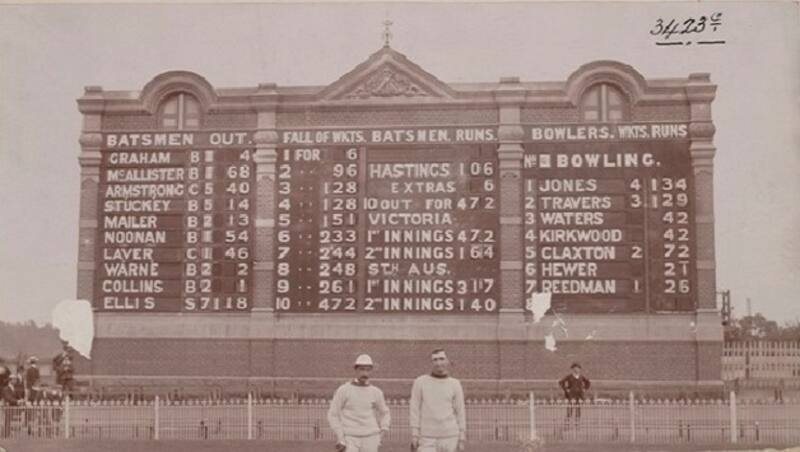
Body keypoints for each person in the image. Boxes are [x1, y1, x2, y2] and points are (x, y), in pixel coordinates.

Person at [327, 354, 390, 452]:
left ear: (371, 371)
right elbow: (333, 414)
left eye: (368, 370)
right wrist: (340, 436)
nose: (365, 373)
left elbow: (385, 413)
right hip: (350, 438)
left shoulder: (376, 392)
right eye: (362, 369)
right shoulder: (344, 390)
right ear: (355, 370)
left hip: (371, 438)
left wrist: (383, 431)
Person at [409, 349, 466, 452]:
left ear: (447, 361)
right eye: (435, 360)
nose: (439, 363)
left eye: (441, 359)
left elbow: (460, 411)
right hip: (427, 437)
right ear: (431, 362)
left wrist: (462, 436)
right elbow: (414, 409)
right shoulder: (420, 382)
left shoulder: (455, 384)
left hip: (450, 435)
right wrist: (414, 433)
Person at [558, 362, 591, 426]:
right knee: (569, 410)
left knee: (578, 410)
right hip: (571, 395)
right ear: (573, 369)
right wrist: (566, 389)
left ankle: (577, 424)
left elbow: (588, 382)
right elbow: (561, 382)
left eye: (578, 368)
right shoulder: (569, 376)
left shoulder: (581, 377)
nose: (577, 370)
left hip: (579, 395)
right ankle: (567, 424)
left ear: (580, 369)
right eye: (575, 368)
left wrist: (584, 389)